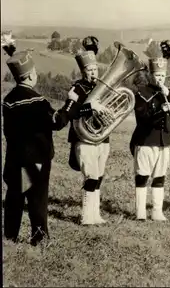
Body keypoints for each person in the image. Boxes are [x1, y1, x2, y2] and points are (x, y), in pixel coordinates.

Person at [2, 50, 78, 246]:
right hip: (34, 161)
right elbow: (58, 122)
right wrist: (71, 101)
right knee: (37, 201)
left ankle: (10, 237)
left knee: (14, 200)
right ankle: (40, 239)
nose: (36, 74)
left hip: (13, 159)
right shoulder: (37, 101)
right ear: (29, 75)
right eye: (34, 71)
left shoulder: (8, 100)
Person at [62, 36, 112, 225]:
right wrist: (91, 107)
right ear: (83, 71)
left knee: (98, 177)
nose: (93, 72)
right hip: (84, 138)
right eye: (89, 70)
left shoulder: (101, 87)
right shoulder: (77, 87)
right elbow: (73, 112)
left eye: (95, 69)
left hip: (102, 138)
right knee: (90, 176)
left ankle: (95, 214)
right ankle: (85, 215)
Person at [130, 56, 170, 221]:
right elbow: (142, 117)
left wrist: (169, 95)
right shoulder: (142, 93)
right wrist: (160, 110)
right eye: (157, 75)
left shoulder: (168, 92)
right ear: (151, 75)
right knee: (142, 176)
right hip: (145, 141)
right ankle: (140, 213)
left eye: (163, 75)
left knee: (159, 177)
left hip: (163, 141)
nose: (160, 79)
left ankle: (157, 211)